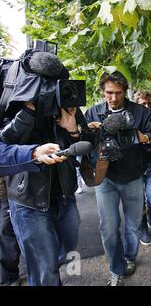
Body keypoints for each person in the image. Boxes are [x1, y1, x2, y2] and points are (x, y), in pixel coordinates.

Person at [85, 72, 151, 286]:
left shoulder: (141, 113)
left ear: (125, 92)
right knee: (109, 228)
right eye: (109, 93)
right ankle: (116, 268)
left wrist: (144, 137)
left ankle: (130, 258)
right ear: (103, 92)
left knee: (132, 227)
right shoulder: (93, 112)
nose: (113, 98)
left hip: (133, 177)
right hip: (105, 178)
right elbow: (80, 140)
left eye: (118, 93)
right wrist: (88, 132)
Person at [0, 102, 89, 286]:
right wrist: (29, 111)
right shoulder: (10, 98)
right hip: (28, 201)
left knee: (66, 249)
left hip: (65, 196)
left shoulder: (63, 98)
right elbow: (5, 142)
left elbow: (87, 141)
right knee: (44, 272)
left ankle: (47, 266)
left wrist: (73, 131)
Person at [0, 142, 67, 286]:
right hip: (19, 196)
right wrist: (33, 153)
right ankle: (8, 279)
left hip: (23, 187)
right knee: (6, 235)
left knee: (48, 260)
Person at [133, 91, 151, 246]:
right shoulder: (129, 119)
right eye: (142, 104)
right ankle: (143, 227)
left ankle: (150, 208)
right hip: (135, 166)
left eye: (148, 104)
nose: (146, 106)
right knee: (138, 200)